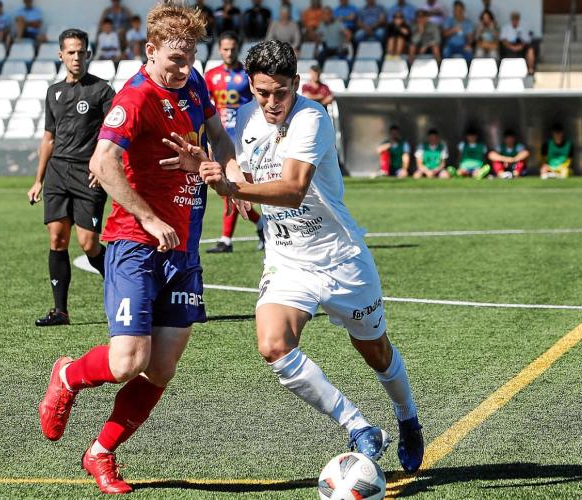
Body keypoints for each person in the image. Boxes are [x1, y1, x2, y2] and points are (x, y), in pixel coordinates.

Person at [195, 39, 424, 473]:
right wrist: (226, 175)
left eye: (280, 92)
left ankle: (407, 417)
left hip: (340, 259)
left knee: (375, 351)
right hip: (288, 260)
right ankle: (359, 427)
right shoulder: (245, 119)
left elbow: (292, 189)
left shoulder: (311, 117)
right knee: (273, 345)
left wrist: (233, 187)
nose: (272, 103)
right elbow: (237, 166)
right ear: (251, 87)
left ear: (296, 84)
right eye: (262, 93)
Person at [38, 3, 238, 494]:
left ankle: (100, 453)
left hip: (183, 249)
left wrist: (232, 176)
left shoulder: (193, 84)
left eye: (191, 57)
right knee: (129, 360)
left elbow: (218, 136)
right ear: (151, 51)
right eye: (175, 59)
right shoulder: (136, 96)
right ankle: (68, 376)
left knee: (161, 368)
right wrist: (149, 218)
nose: (184, 67)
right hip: (135, 244)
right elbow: (102, 162)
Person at [27, 29, 115, 327]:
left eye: (81, 52)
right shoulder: (53, 92)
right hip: (57, 174)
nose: (76, 57)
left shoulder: (102, 91)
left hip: (88, 174)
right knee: (57, 238)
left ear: (88, 54)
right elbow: (48, 138)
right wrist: (38, 180)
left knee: (89, 244)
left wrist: (101, 167)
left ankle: (124, 291)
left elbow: (113, 134)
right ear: (61, 55)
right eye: (71, 52)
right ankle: (60, 311)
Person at [204, 32, 264, 254]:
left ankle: (226, 240)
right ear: (219, 50)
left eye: (233, 49)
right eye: (225, 49)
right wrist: (209, 140)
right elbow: (206, 110)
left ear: (238, 49)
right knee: (227, 190)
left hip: (243, 138)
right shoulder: (211, 76)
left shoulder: (248, 75)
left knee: (233, 187)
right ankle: (261, 224)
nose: (229, 53)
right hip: (220, 139)